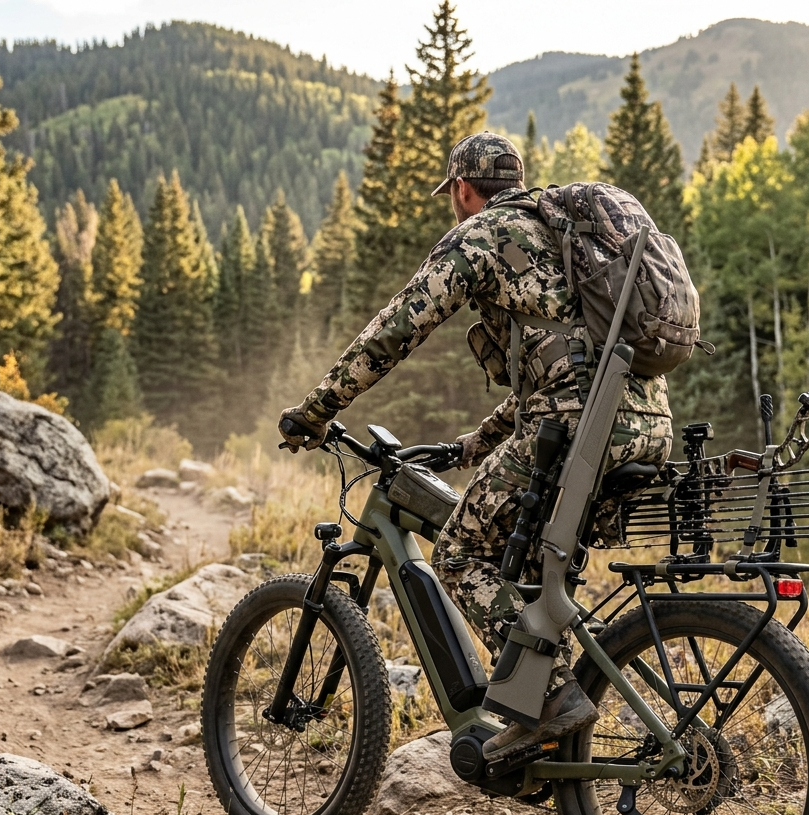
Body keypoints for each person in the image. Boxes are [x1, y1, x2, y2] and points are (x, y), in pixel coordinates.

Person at [279, 132, 673, 761]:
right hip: (645, 425)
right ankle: (553, 721)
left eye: (452, 193)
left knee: (461, 554)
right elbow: (567, 362)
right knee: (524, 563)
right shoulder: (559, 236)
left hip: (577, 429)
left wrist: (316, 410)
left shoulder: (480, 236)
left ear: (463, 189)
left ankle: (552, 700)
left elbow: (395, 330)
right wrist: (477, 442)